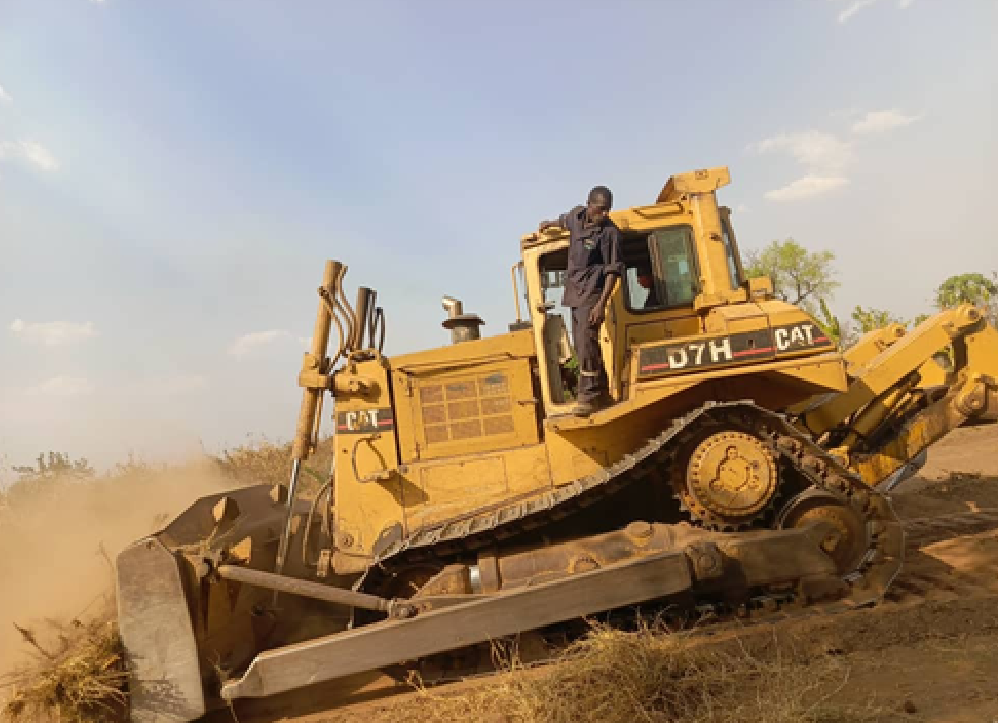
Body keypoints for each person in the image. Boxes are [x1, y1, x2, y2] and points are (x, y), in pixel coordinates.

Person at [539, 186, 623, 416]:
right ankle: (603, 393)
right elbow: (563, 220)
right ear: (589, 205)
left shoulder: (609, 233)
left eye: (608, 210)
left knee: (586, 346)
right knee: (582, 345)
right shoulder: (576, 217)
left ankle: (587, 396)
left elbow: (613, 271)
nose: (605, 214)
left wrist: (601, 304)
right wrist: (549, 223)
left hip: (593, 295)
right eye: (601, 209)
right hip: (575, 294)